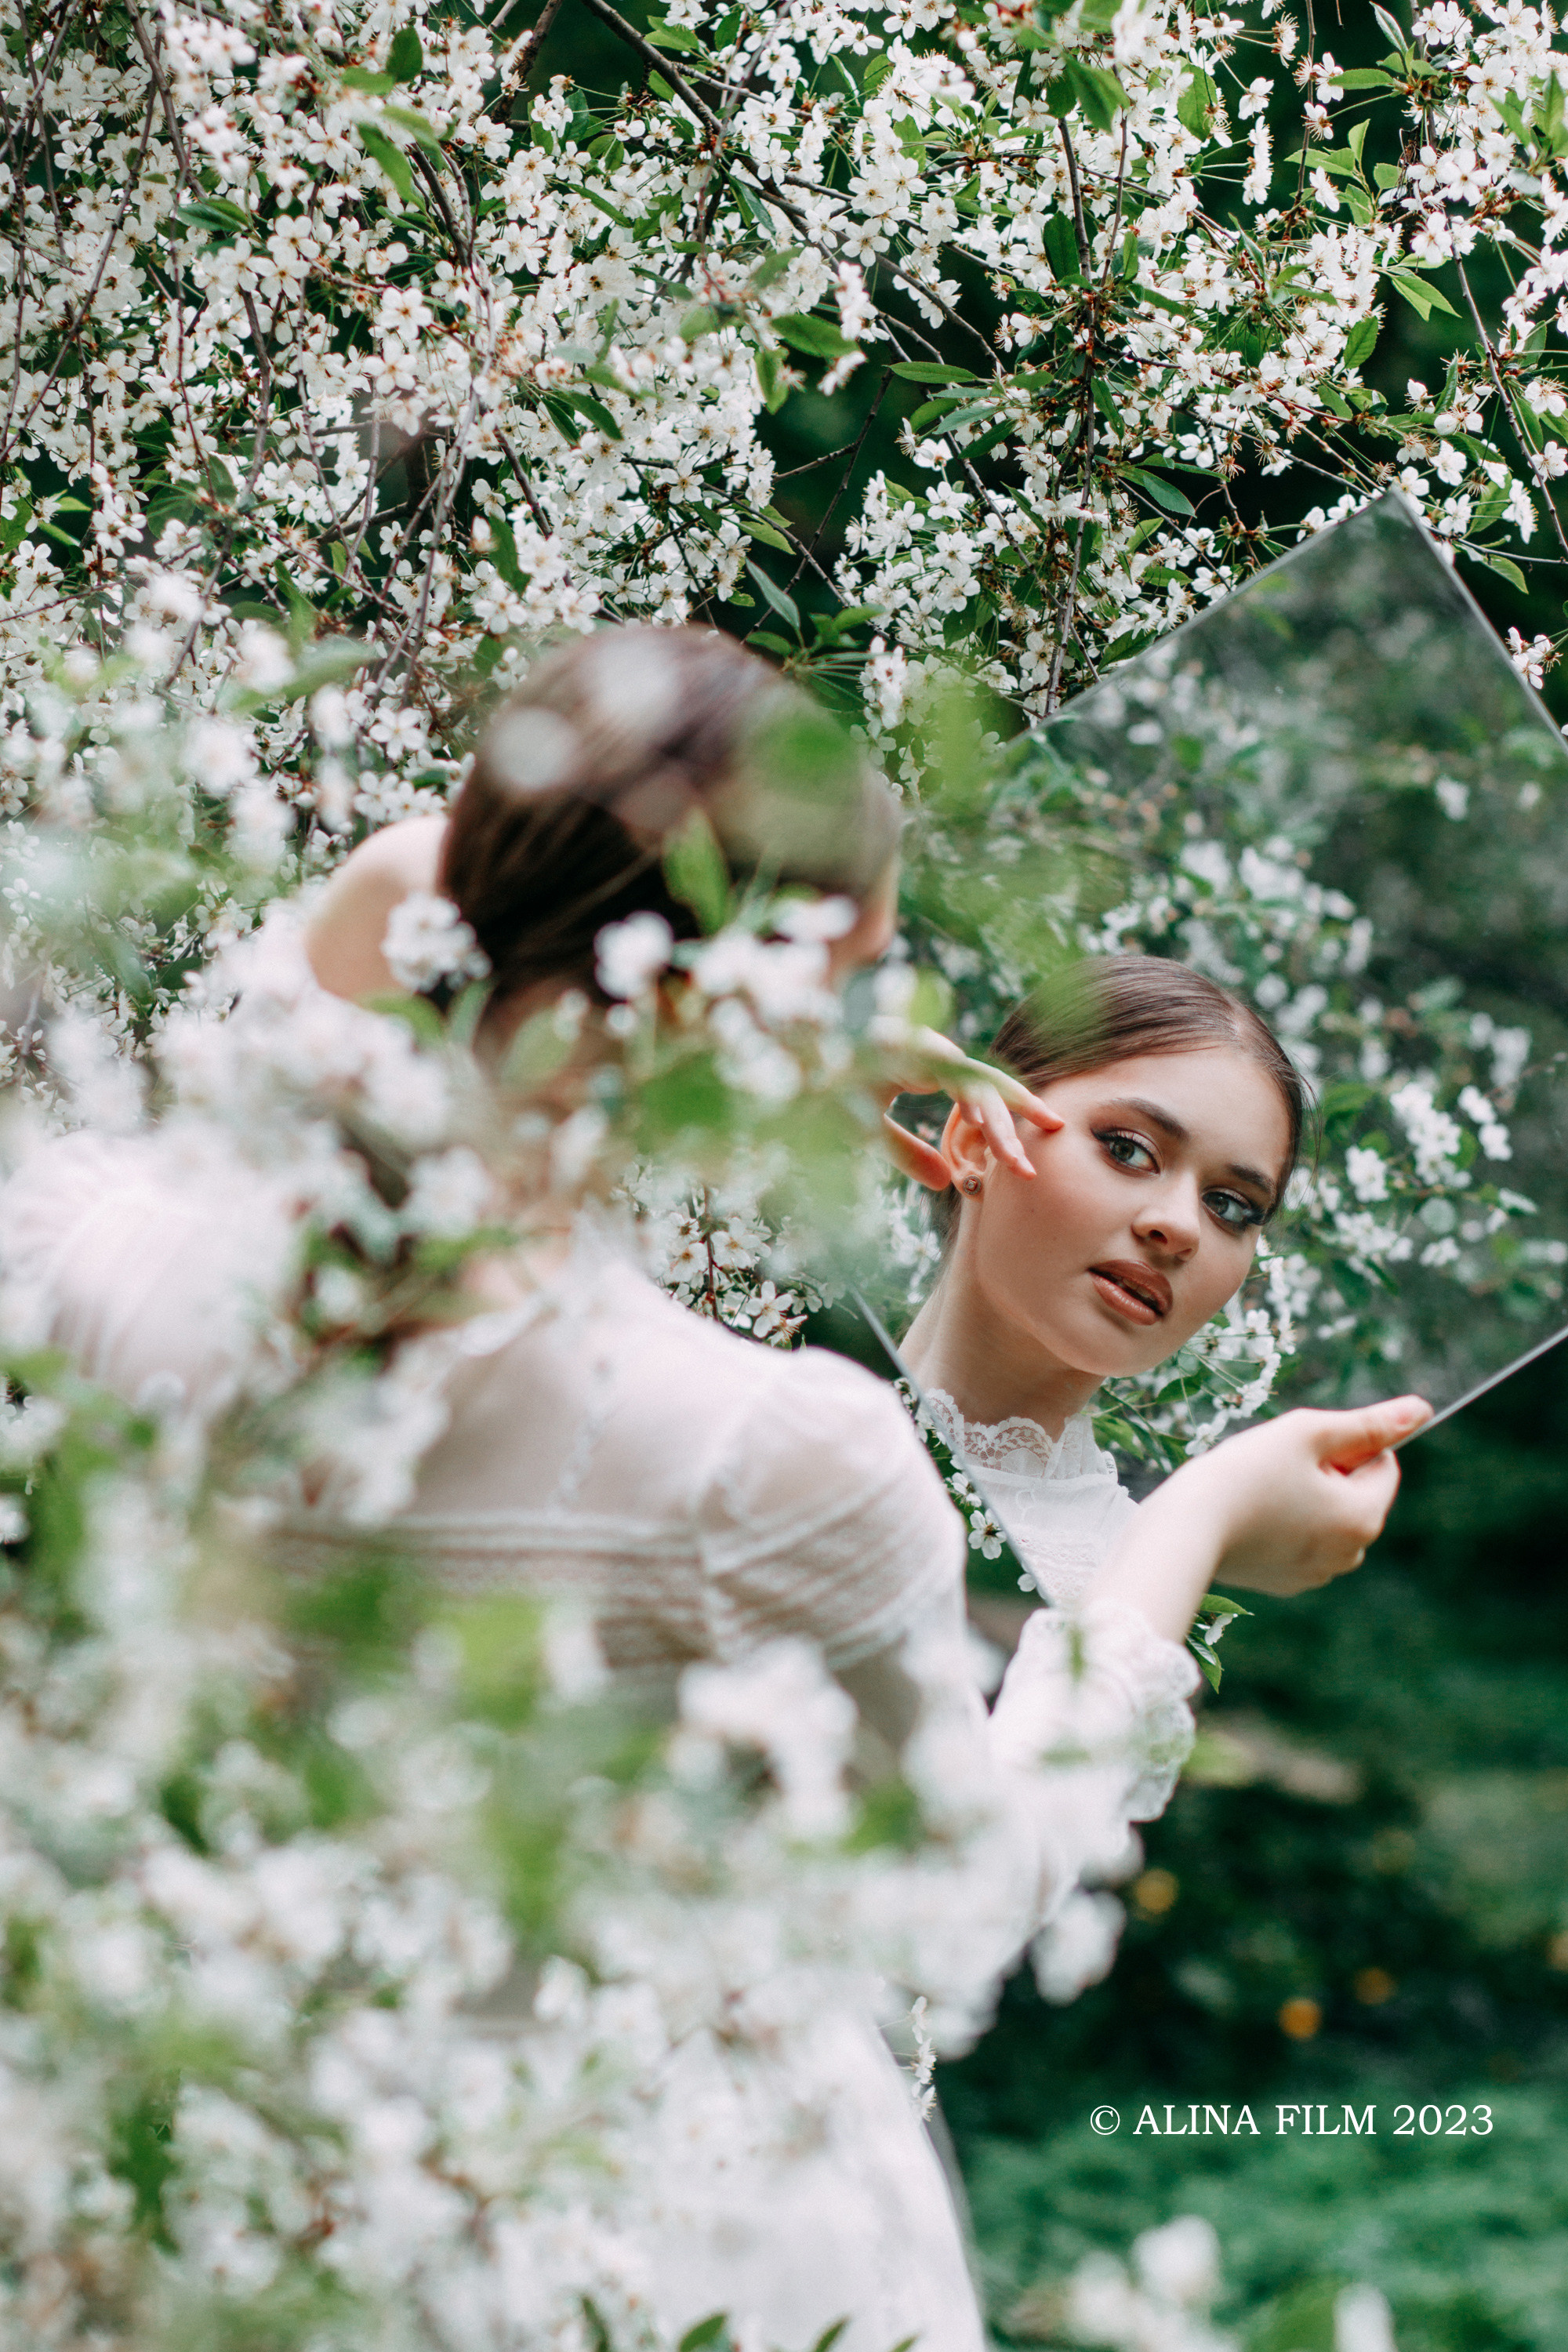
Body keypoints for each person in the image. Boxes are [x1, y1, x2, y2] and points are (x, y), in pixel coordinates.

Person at [0, 628, 1430, 2352]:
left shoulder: (103, 1251)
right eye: (859, 978)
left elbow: (365, 936)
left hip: (236, 2225)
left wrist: (619, 922)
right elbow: (956, 1902)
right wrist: (1191, 1531)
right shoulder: (772, 1451)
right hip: (640, 2267)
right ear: (725, 1003)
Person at [898, 955, 1339, 1621]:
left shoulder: (1138, 1601)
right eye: (1128, 1149)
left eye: (1231, 1206)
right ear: (974, 1142)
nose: (1180, 1227)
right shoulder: (733, 1320)